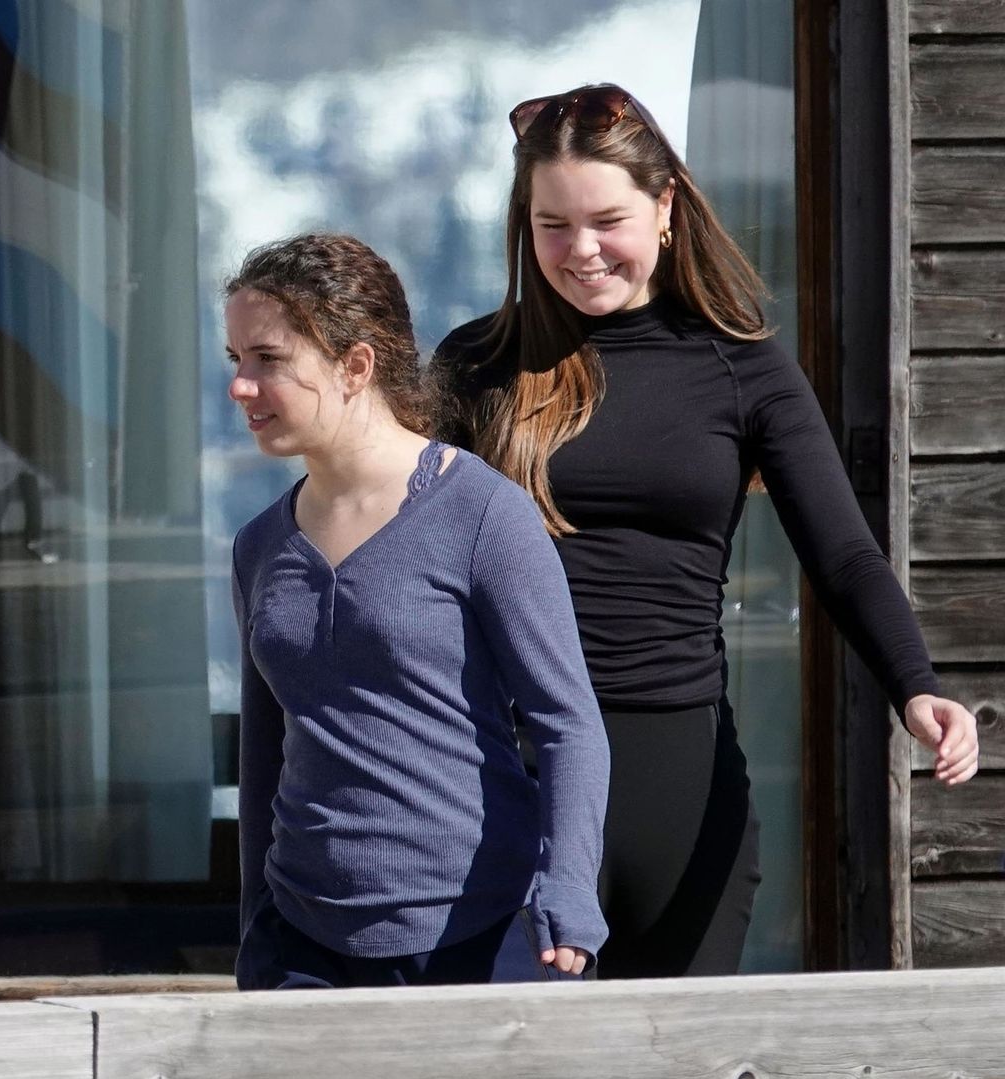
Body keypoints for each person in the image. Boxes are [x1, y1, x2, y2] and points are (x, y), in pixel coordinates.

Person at [433, 84, 981, 979]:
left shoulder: (742, 369)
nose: (581, 251)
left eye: (606, 219)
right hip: (507, 780)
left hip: (680, 790)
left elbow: (840, 553)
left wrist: (913, 684)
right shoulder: (477, 367)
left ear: (666, 208)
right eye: (552, 226)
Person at [228, 233, 610, 989]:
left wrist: (568, 887)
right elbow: (262, 755)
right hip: (301, 943)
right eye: (234, 360)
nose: (240, 386)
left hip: (474, 937)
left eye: (268, 359)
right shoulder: (259, 545)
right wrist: (252, 924)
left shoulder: (481, 513)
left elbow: (566, 720)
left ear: (355, 365)